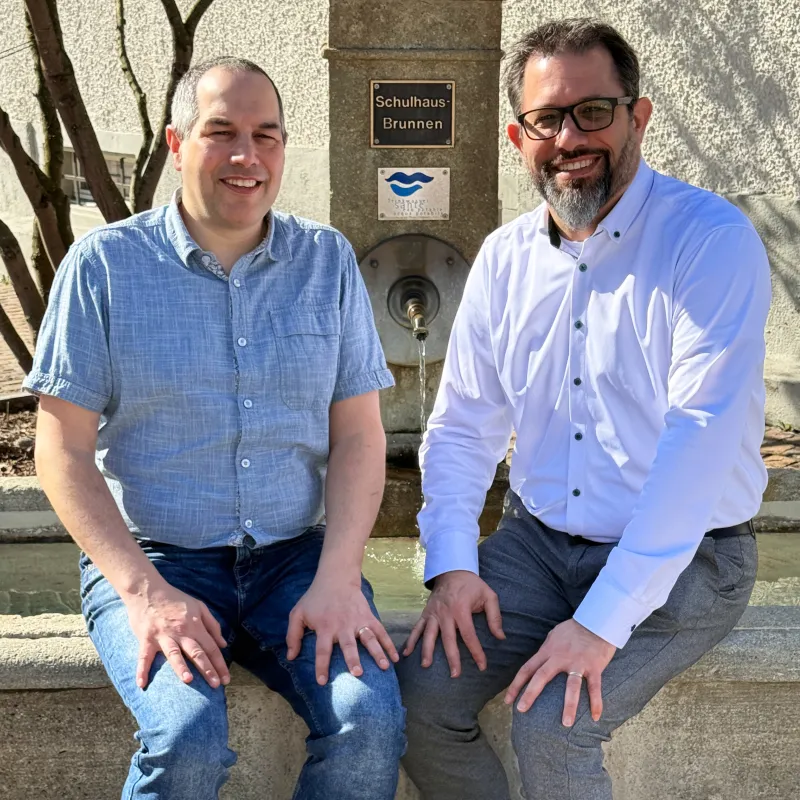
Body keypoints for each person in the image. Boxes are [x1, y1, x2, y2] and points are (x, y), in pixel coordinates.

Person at [396, 18, 770, 800]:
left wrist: (601, 623)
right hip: (535, 547)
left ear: (639, 115)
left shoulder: (709, 241)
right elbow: (465, 423)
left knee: (555, 724)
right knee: (417, 699)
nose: (570, 136)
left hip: (688, 554)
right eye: (547, 119)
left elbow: (696, 445)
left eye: (593, 111)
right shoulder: (503, 258)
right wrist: (454, 564)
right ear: (517, 135)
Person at [27, 57, 405, 800]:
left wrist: (338, 575)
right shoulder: (103, 266)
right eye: (221, 132)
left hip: (297, 557)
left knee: (370, 723)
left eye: (266, 135)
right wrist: (143, 591)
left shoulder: (324, 260)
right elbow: (61, 449)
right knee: (186, 738)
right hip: (158, 558)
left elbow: (361, 434)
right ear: (175, 144)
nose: (247, 156)